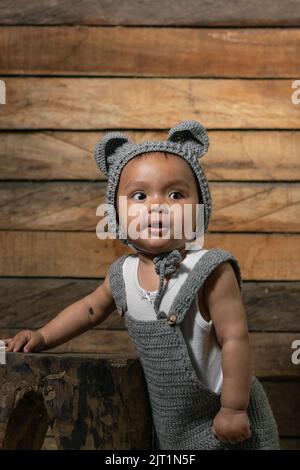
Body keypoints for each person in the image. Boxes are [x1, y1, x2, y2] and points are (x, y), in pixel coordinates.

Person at [2, 120, 280, 450]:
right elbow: (89, 310)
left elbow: (235, 338)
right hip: (171, 425)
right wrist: (43, 336)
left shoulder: (210, 270)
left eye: (176, 194)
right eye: (139, 195)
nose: (156, 205)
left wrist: (234, 408)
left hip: (226, 420)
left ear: (198, 210)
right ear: (116, 214)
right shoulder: (122, 274)